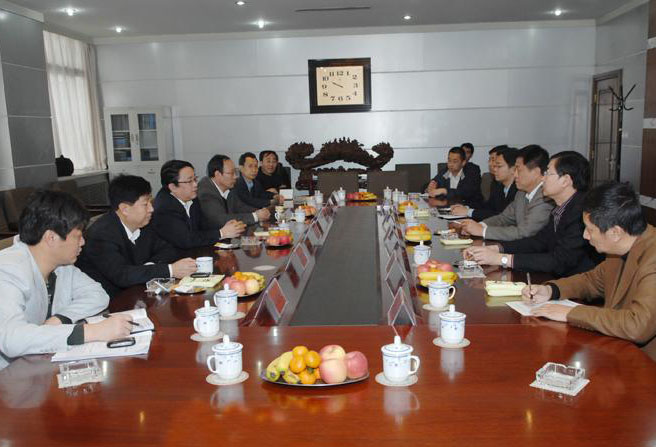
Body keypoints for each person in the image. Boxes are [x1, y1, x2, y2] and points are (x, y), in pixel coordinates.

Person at [521, 182, 656, 360]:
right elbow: (592, 281)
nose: (585, 235)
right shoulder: (621, 247)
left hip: (646, 362)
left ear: (615, 232)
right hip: (618, 349)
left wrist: (571, 313)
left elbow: (637, 325)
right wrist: (551, 290)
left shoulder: (652, 257)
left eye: (590, 229)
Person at [0, 190, 133, 370]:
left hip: (39, 365)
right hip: (9, 375)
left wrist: (60, 319)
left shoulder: (61, 266)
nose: (83, 242)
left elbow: (98, 295)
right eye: (77, 236)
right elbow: (12, 339)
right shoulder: (8, 270)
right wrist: (90, 332)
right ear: (51, 237)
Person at [464, 151, 602, 277]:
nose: (543, 179)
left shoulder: (582, 211)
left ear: (565, 180)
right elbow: (539, 241)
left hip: (579, 287)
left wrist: (502, 259)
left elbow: (559, 260)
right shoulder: (561, 207)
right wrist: (496, 248)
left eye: (548, 173)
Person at [77, 175, 198, 298]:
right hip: (111, 301)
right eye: (145, 204)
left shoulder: (143, 224)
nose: (151, 209)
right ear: (125, 209)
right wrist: (170, 270)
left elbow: (168, 250)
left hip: (138, 294)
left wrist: (148, 267)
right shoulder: (101, 235)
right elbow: (122, 275)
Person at [459, 145, 553, 241]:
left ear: (536, 172)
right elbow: (504, 218)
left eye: (518, 170)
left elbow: (524, 232)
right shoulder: (521, 193)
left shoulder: (545, 198)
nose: (515, 174)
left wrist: (483, 231)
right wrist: (479, 225)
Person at [152, 160, 245, 250]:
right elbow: (186, 239)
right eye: (189, 181)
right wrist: (221, 233)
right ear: (173, 187)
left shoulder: (192, 198)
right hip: (174, 257)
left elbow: (203, 226)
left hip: (194, 252)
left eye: (195, 179)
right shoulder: (164, 208)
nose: (195, 184)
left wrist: (225, 227)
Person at [198, 155, 271, 229]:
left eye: (235, 172)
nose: (235, 176)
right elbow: (221, 219)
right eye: (231, 173)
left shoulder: (228, 188)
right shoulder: (206, 192)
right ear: (218, 174)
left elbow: (240, 207)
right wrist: (255, 216)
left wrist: (260, 212)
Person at [452, 146, 518, 221]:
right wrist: (466, 208)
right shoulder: (498, 185)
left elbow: (502, 216)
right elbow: (488, 207)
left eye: (499, 166)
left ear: (513, 169)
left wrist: (469, 212)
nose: (494, 168)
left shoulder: (518, 190)